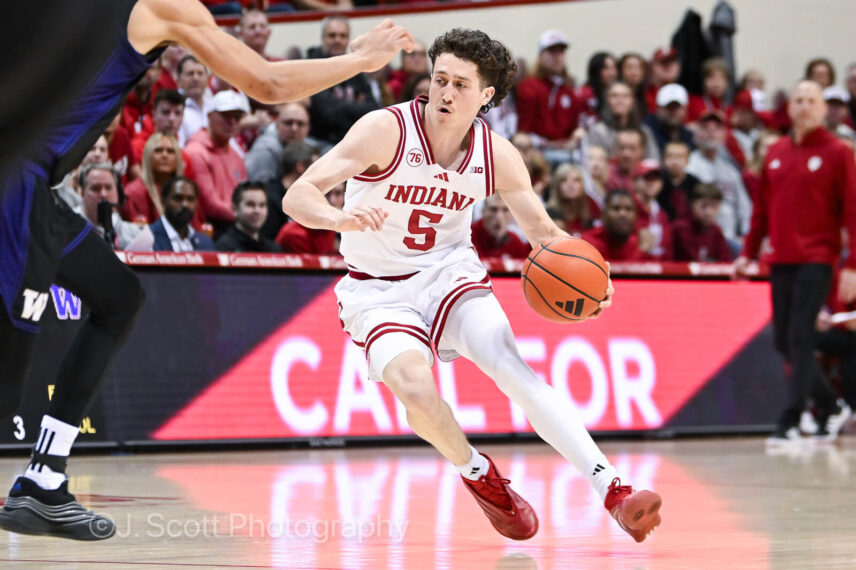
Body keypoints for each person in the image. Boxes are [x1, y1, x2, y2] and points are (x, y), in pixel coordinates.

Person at [0, 0, 412, 541]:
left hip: (33, 186)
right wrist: (358, 61)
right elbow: (265, 81)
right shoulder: (160, 6)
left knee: (117, 297)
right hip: (16, 185)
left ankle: (43, 478)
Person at [282, 28, 661, 543]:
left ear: (486, 96)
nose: (445, 92)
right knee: (414, 388)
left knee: (510, 364)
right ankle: (478, 473)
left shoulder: (497, 154)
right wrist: (338, 219)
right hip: (377, 287)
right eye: (440, 79)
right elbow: (298, 195)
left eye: (461, 84)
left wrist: (593, 279)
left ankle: (612, 489)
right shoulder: (384, 130)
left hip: (449, 274)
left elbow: (546, 235)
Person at [734, 81, 856, 446]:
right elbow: (761, 212)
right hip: (781, 259)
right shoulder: (776, 153)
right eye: (798, 100)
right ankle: (831, 404)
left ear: (823, 109)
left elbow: (852, 212)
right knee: (785, 341)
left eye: (811, 101)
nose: (803, 106)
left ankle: (790, 420)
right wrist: (747, 253)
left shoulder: (839, 152)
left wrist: (851, 266)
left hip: (819, 259)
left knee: (801, 335)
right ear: (789, 108)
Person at [126, 176, 215, 252]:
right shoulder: (146, 238)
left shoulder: (205, 243)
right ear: (163, 201)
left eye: (190, 199)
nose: (185, 205)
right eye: (178, 198)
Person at [73, 163, 143, 250]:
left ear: (118, 193)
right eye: (95, 188)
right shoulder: (66, 230)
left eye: (108, 188)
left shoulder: (134, 235)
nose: (103, 194)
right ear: (82, 193)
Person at [121, 132, 185, 225]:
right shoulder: (133, 193)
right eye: (158, 150)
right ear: (148, 156)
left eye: (170, 151)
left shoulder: (185, 192)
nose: (164, 155)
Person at [582, 189, 650, 261]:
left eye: (628, 209)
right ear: (603, 214)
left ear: (636, 215)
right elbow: (607, 270)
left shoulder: (639, 240)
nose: (622, 214)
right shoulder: (589, 242)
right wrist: (641, 251)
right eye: (616, 208)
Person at [671, 183, 732, 262]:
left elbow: (725, 263)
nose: (708, 212)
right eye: (703, 206)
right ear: (693, 205)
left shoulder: (716, 231)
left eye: (714, 206)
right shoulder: (679, 229)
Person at [276, 183, 344, 254]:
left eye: (338, 193)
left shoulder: (331, 228)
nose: (333, 201)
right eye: (326, 194)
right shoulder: (293, 234)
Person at [215, 181, 281, 252]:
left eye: (262, 205)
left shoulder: (274, 249)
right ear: (235, 209)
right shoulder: (224, 247)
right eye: (250, 205)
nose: (257, 211)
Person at [471, 194, 531, 259]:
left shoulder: (515, 243)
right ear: (483, 212)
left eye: (505, 210)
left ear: (512, 215)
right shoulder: (467, 237)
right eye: (493, 209)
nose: (499, 217)